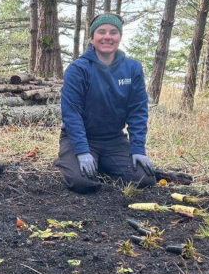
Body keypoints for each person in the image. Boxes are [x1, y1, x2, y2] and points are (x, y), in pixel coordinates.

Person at [56, 12, 155, 193]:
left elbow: (138, 111)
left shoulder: (132, 68)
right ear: (92, 38)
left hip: (113, 139)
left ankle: (102, 163)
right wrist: (82, 150)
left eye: (113, 32)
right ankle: (72, 160)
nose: (107, 37)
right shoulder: (78, 69)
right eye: (101, 32)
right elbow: (71, 113)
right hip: (79, 137)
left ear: (119, 37)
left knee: (144, 178)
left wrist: (138, 149)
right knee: (82, 183)